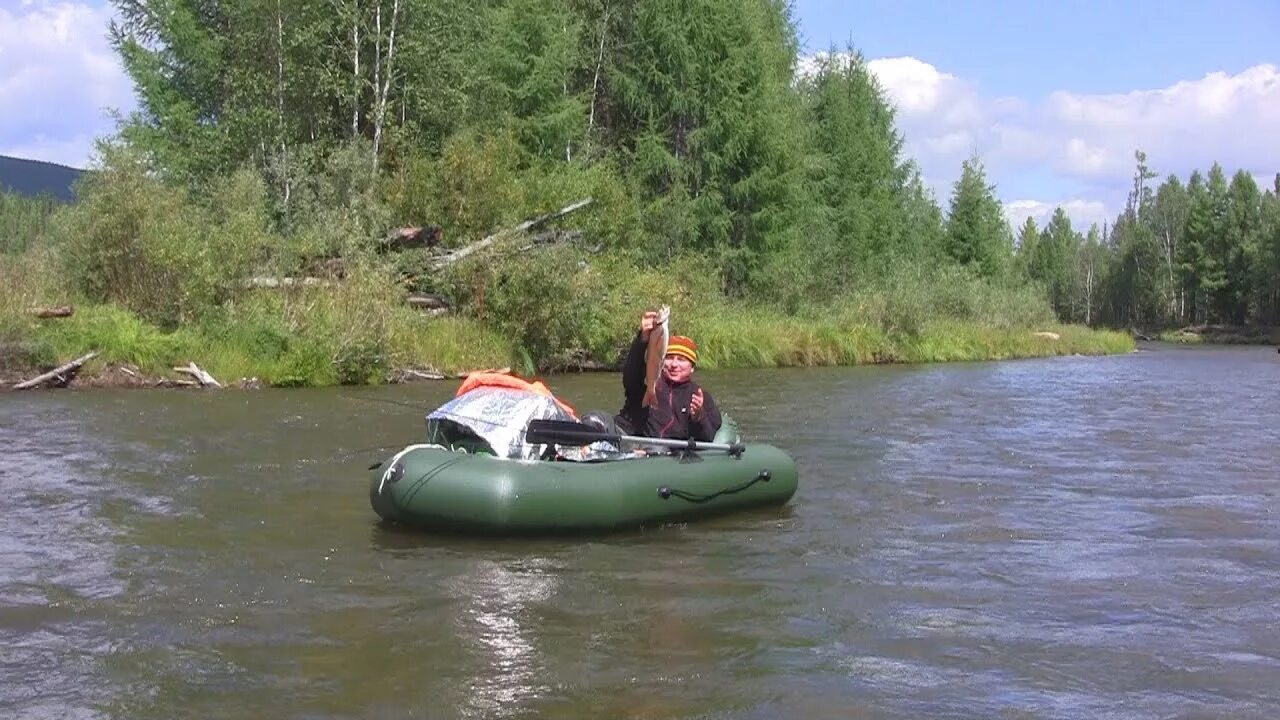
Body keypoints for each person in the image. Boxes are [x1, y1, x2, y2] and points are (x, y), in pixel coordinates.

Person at [610, 309, 722, 442]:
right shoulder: (650, 380)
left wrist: (698, 417)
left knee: (656, 447)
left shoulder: (700, 396)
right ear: (662, 360)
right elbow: (631, 376)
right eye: (669, 358)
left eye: (681, 360)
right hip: (626, 437)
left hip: (658, 451)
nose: (674, 364)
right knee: (595, 419)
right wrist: (643, 339)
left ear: (692, 368)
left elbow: (709, 437)